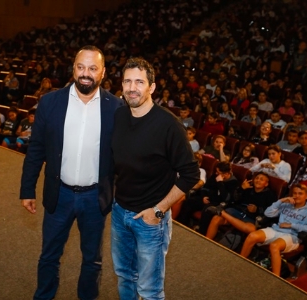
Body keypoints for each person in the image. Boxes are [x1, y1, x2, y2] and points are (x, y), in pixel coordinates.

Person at [20, 45, 124, 300]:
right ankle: (44, 296)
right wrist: (27, 189)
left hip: (94, 198)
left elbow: (124, 156)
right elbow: (37, 149)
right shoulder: (50, 102)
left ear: (103, 72)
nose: (85, 73)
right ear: (73, 68)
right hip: (60, 194)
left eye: (92, 68)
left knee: (93, 259)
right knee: (49, 255)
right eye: (80, 67)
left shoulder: (116, 108)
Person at [111, 57, 199, 299]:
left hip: (150, 220)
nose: (132, 87)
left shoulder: (169, 125)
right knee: (124, 275)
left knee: (149, 290)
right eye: (127, 81)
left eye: (139, 82)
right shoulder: (119, 116)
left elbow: (191, 174)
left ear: (152, 87)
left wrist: (158, 211)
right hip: (120, 212)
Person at [240, 184, 307, 276]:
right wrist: (281, 201)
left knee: (274, 245)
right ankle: (240, 262)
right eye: (294, 193)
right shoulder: (286, 204)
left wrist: (292, 225)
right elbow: (267, 213)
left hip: (292, 236)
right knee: (252, 236)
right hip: (276, 230)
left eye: (300, 194)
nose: (297, 196)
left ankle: (275, 277)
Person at [205, 172, 276, 242]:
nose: (258, 180)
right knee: (216, 219)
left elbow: (270, 212)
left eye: (261, 179)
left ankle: (222, 213)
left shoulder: (270, 195)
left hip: (250, 218)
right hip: (236, 212)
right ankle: (206, 241)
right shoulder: (248, 188)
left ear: (266, 184)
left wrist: (257, 210)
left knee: (251, 229)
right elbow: (232, 200)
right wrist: (242, 188)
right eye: (257, 178)